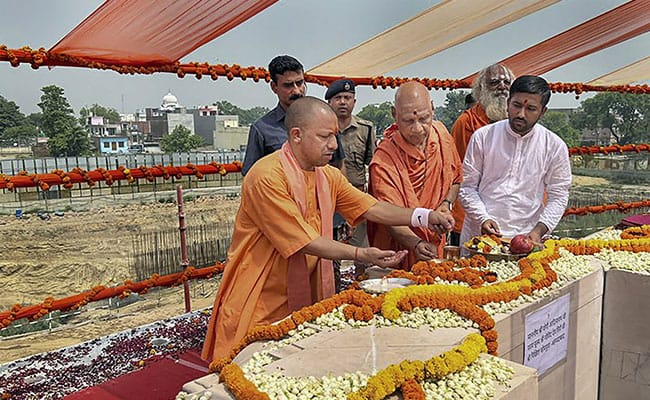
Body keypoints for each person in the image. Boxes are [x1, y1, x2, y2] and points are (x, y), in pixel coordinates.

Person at [202, 97, 454, 361]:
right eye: (325, 137)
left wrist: (425, 216)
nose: (334, 145)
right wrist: (361, 254)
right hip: (260, 296)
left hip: (305, 289)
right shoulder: (266, 176)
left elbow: (371, 207)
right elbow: (305, 241)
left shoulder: (327, 175)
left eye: (334, 136)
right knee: (248, 373)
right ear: (296, 135)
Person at [458, 75, 571, 251]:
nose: (521, 114)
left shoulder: (554, 146)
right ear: (508, 102)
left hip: (527, 239)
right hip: (480, 238)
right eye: (516, 105)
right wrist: (482, 218)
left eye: (531, 108)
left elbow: (559, 195)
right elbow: (466, 187)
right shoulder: (483, 137)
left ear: (543, 111)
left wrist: (539, 230)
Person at [367, 81, 462, 269]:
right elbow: (387, 215)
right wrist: (416, 243)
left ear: (433, 109)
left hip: (435, 244)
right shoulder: (384, 159)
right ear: (395, 115)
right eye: (408, 121)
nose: (418, 129)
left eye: (424, 119)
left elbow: (456, 179)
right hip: (400, 251)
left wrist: (445, 204)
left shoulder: (442, 136)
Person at [241, 55, 343, 175]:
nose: (296, 91)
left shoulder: (325, 119)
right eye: (288, 85)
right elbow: (251, 174)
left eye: (299, 83)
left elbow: (338, 166)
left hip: (323, 192)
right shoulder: (262, 129)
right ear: (274, 87)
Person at [449, 64, 515, 245]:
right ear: (481, 89)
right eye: (494, 82)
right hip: (470, 216)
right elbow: (459, 174)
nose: (502, 87)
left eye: (506, 82)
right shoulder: (466, 122)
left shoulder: (518, 122)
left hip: (510, 217)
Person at [325, 79, 377, 248]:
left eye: (347, 97)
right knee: (331, 252)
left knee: (361, 252)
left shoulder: (365, 129)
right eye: (338, 98)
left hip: (356, 198)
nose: (342, 102)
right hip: (328, 201)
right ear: (329, 102)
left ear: (354, 102)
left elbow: (375, 167)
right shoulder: (321, 129)